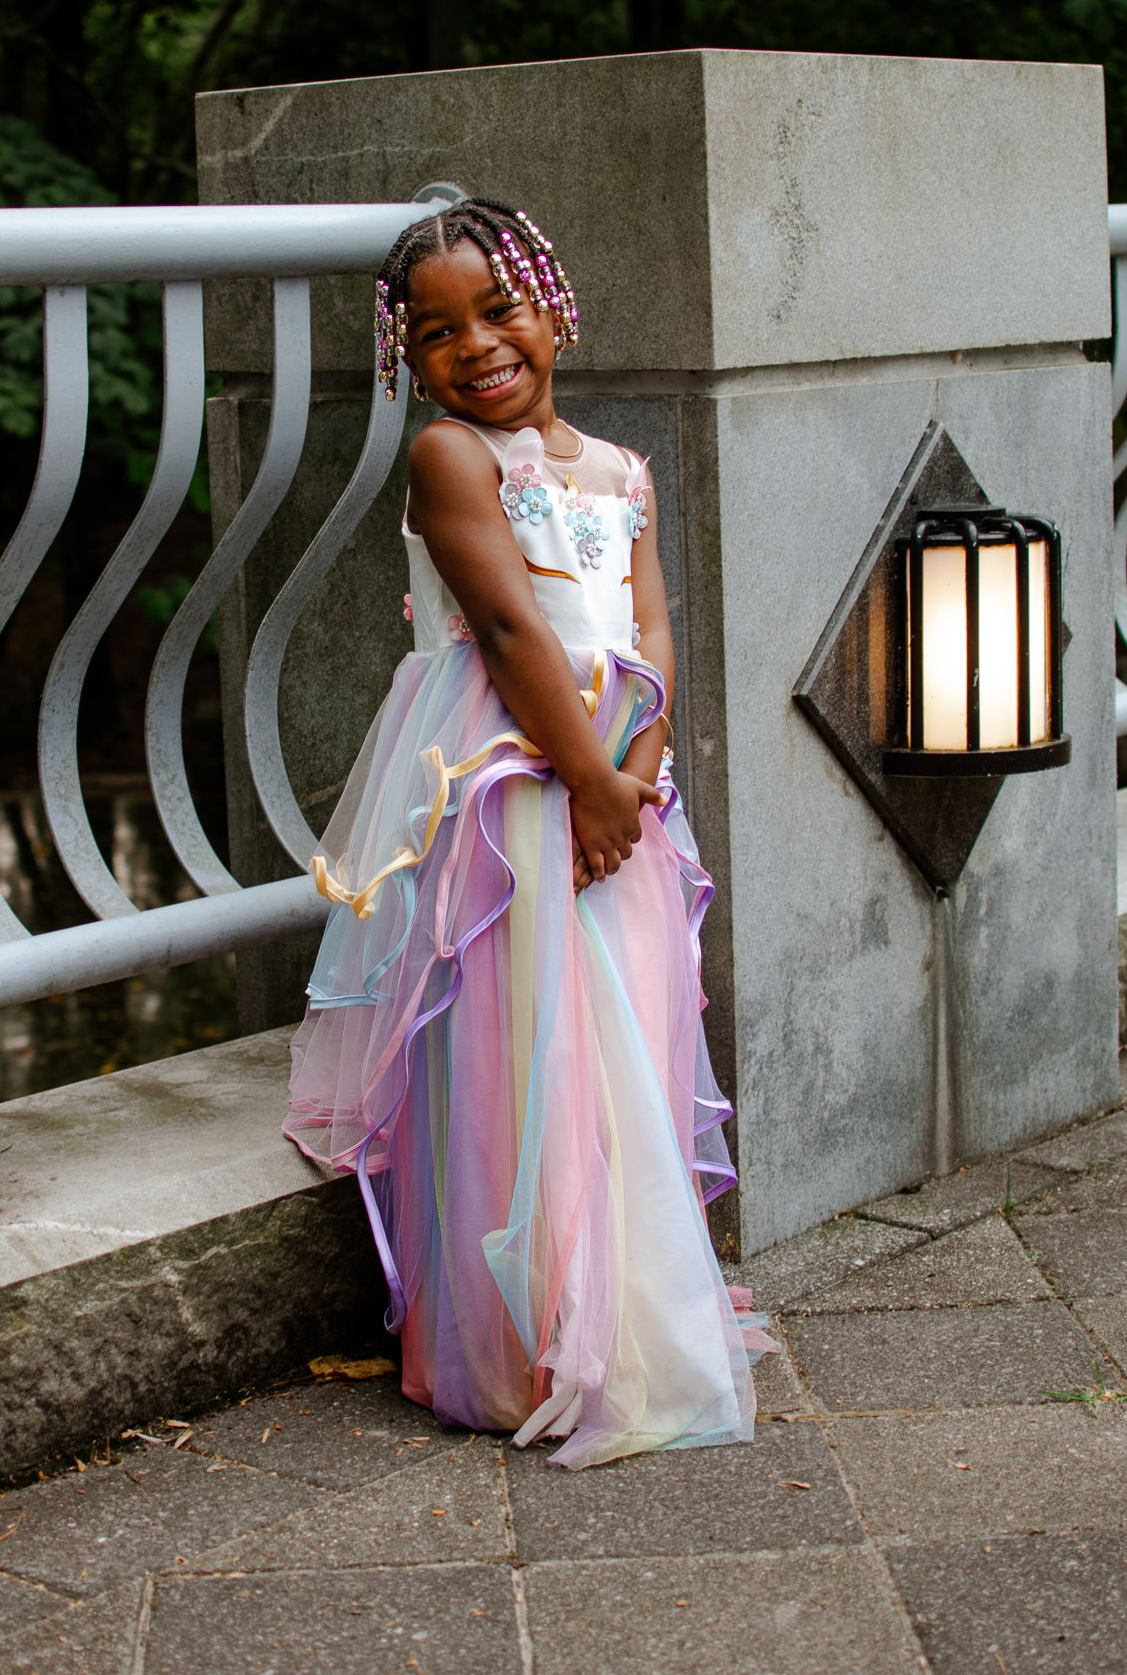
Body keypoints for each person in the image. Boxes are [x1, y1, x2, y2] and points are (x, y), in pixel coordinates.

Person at [283, 197, 774, 1469]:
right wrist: (587, 780)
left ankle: (624, 1309)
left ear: (553, 305)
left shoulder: (621, 469)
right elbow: (507, 630)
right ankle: (517, 1342)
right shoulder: (452, 458)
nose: (476, 346)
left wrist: (639, 770)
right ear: (408, 358)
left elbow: (650, 627)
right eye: (436, 331)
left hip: (615, 777)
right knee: (523, 1042)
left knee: (618, 1040)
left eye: (497, 310)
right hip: (510, 783)